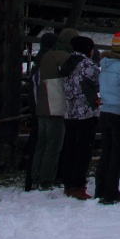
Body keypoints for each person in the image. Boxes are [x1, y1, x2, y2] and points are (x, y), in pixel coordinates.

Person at [31, 27, 75, 190]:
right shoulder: (63, 57)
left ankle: (35, 176)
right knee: (54, 146)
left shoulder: (47, 55)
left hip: (42, 106)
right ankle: (47, 180)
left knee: (41, 144)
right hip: (55, 107)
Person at [58, 35, 101, 199]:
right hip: (85, 114)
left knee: (70, 149)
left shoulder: (67, 63)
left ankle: (68, 184)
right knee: (83, 152)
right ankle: (78, 186)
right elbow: (99, 82)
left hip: (69, 112)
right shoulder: (86, 65)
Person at [95, 31, 120, 204]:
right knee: (116, 155)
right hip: (119, 113)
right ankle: (111, 192)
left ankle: (100, 189)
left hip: (105, 112)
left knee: (106, 152)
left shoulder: (105, 65)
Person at [25, 30, 58, 191]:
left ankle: (34, 178)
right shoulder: (47, 61)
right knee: (47, 144)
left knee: (40, 144)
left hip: (39, 108)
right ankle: (43, 179)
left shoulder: (40, 59)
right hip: (45, 109)